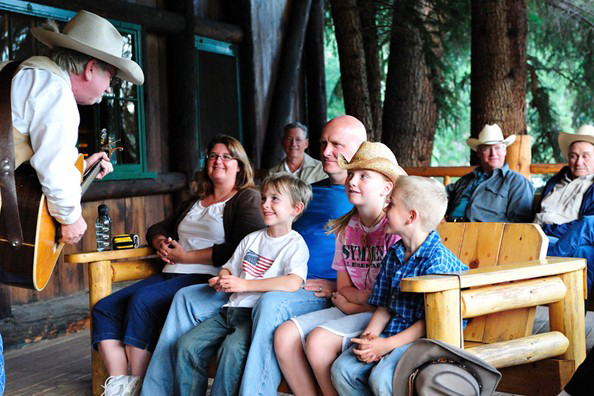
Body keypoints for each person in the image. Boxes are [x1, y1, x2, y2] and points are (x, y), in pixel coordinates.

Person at [141, 115, 366, 396]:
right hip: (258, 279)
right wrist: (230, 276)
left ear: (360, 148)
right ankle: (156, 392)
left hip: (306, 288)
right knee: (186, 298)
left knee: (270, 304)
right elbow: (267, 235)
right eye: (323, 143)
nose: (325, 152)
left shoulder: (364, 195)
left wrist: (337, 286)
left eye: (336, 145)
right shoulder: (310, 191)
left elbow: (370, 256)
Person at [92, 135, 264, 396]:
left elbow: (243, 244)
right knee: (105, 308)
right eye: (213, 156)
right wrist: (160, 241)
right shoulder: (195, 202)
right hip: (170, 274)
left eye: (226, 157)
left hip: (204, 278)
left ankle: (142, 384)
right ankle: (121, 385)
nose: (218, 161)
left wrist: (188, 257)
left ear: (239, 165)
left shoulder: (245, 199)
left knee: (142, 300)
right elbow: (158, 227)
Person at [3, 10, 145, 244]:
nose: (110, 88)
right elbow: (55, 167)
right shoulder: (56, 91)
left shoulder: (20, 72)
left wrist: (79, 169)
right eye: (111, 78)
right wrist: (70, 218)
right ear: (90, 68)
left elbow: (20, 153)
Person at [274, 141, 405, 396]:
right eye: (351, 174)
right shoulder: (345, 229)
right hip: (355, 310)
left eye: (364, 176)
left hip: (386, 318)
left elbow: (390, 300)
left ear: (386, 188)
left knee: (318, 340)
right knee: (284, 334)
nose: (352, 181)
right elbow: (344, 290)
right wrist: (352, 301)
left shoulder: (393, 229)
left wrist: (351, 303)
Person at [174, 174, 312, 395]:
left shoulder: (295, 244)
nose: (265, 204)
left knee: (231, 351)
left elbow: (293, 282)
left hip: (253, 318)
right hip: (228, 312)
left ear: (296, 208)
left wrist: (244, 285)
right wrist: (223, 278)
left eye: (275, 199)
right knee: (186, 345)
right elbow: (229, 267)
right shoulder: (252, 239)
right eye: (263, 198)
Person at [331, 176, 468, 395]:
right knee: (342, 369)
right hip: (394, 331)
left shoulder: (437, 261)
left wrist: (385, 346)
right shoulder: (394, 254)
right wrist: (370, 338)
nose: (385, 208)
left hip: (427, 340)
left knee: (382, 378)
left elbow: (429, 323)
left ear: (411, 217)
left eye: (391, 204)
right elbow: (384, 305)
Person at [535, 124, 594, 294]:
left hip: (562, 238)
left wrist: (550, 232)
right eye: (574, 156)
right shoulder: (557, 180)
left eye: (585, 156)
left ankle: (546, 256)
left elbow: (587, 227)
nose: (578, 162)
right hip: (538, 233)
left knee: (584, 248)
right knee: (583, 253)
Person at [445, 124, 534, 223]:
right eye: (486, 148)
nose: (493, 154)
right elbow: (440, 196)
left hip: (485, 235)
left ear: (505, 150)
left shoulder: (517, 182)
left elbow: (520, 226)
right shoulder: (465, 180)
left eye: (498, 148)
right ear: (478, 152)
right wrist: (439, 216)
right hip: (449, 231)